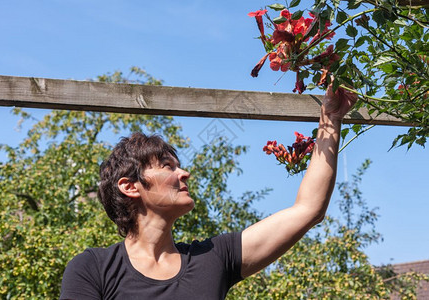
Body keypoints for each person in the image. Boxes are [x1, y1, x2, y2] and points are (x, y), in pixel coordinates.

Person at [60, 85, 357, 299]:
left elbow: (308, 209)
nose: (184, 173)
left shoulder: (214, 258)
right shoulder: (93, 268)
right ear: (130, 186)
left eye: (179, 165)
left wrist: (330, 119)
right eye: (166, 166)